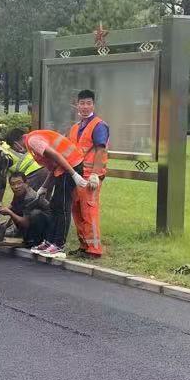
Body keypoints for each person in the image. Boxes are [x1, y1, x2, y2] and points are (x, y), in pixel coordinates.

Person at [4, 127, 96, 259]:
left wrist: (74, 174)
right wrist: (44, 187)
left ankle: (59, 245)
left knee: (62, 207)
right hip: (65, 167)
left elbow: (57, 156)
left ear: (16, 143)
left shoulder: (33, 141)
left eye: (15, 148)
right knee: (54, 205)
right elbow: (53, 166)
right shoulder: (33, 141)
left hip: (70, 166)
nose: (18, 150)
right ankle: (50, 242)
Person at [68, 89, 110, 258]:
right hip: (76, 175)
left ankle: (94, 249)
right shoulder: (75, 127)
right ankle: (84, 245)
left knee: (89, 211)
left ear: (93, 105)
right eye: (82, 103)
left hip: (89, 176)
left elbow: (100, 149)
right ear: (77, 105)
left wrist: (95, 174)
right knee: (77, 209)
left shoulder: (99, 125)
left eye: (88, 103)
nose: (85, 106)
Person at [0, 171, 51, 249]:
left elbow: (25, 223)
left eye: (19, 183)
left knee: (35, 214)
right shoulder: (18, 193)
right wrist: (3, 213)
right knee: (16, 210)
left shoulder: (30, 197)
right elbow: (12, 208)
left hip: (47, 226)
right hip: (30, 221)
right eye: (13, 184)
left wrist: (9, 212)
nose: (16, 187)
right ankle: (24, 235)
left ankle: (36, 241)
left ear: (26, 183)